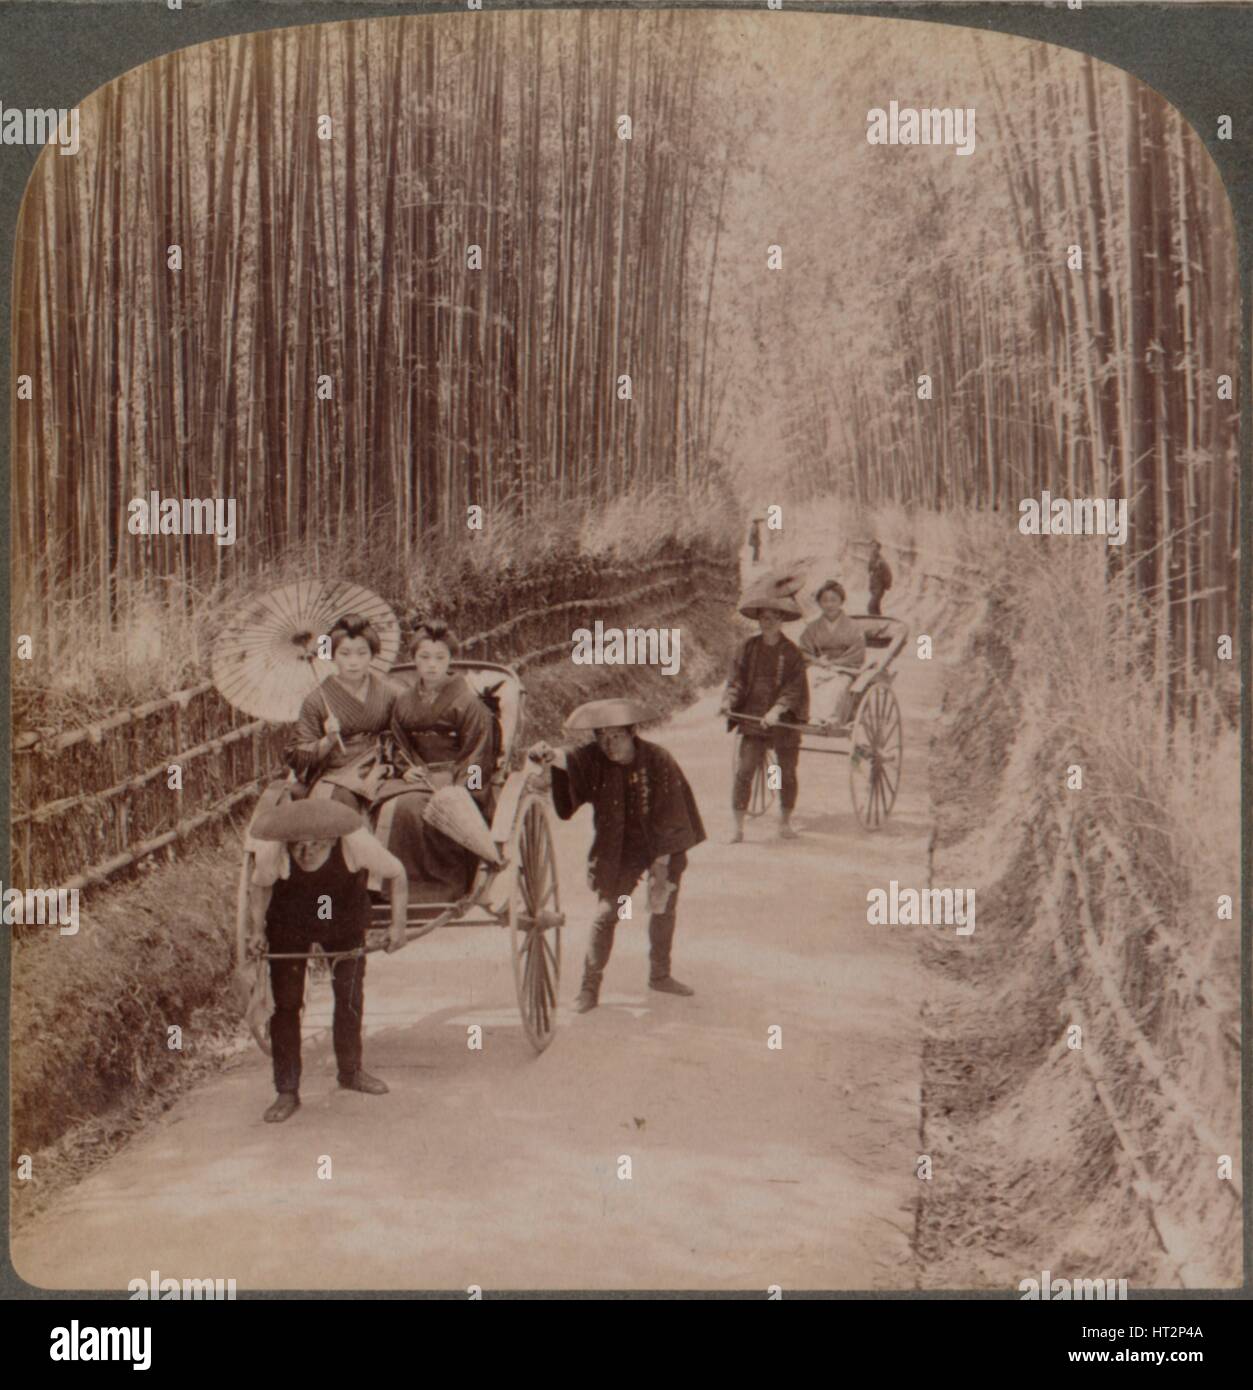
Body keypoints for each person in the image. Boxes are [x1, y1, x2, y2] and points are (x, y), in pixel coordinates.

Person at [528, 698, 706, 1014]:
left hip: (661, 847)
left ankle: (660, 975)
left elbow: (675, 812)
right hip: (621, 851)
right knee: (608, 913)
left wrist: (662, 862)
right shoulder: (594, 759)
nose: (610, 744)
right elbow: (567, 760)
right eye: (602, 737)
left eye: (617, 736)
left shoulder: (658, 760)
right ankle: (589, 987)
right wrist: (547, 756)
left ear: (632, 732)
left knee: (662, 906)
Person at [245, 799, 409, 1124]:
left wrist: (398, 926)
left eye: (315, 846)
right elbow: (261, 889)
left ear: (332, 839)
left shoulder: (355, 840)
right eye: (298, 848)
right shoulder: (272, 850)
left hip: (343, 917)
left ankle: (350, 1071)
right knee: (287, 1004)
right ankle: (287, 1089)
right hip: (290, 922)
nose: (306, 854)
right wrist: (257, 930)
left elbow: (397, 872)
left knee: (348, 996)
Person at [372, 621, 496, 903]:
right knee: (391, 805)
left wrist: (465, 788)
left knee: (432, 805)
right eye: (424, 657)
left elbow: (478, 752)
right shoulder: (404, 702)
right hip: (418, 775)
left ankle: (443, 885)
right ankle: (392, 886)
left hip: (456, 774)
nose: (432, 665)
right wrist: (406, 769)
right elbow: (399, 743)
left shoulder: (469, 703)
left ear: (451, 660)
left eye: (440, 658)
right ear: (414, 659)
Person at [721, 575, 809, 843]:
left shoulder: (792, 653)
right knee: (744, 770)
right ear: (758, 620)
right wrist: (728, 701)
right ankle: (737, 827)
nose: (767, 622)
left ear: (781, 620)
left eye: (773, 618)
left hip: (783, 722)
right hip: (753, 717)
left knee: (784, 772)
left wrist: (778, 710)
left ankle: (784, 822)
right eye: (763, 618)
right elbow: (736, 680)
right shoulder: (748, 648)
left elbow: (795, 689)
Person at [285, 613, 396, 811]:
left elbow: (401, 736)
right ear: (332, 655)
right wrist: (328, 740)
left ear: (373, 654)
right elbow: (297, 755)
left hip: (379, 768)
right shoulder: (316, 700)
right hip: (335, 774)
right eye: (345, 654)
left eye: (362, 653)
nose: (354, 662)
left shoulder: (388, 692)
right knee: (342, 802)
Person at [799, 580, 866, 729]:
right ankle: (813, 717)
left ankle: (829, 719)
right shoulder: (812, 627)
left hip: (844, 668)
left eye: (833, 600)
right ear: (819, 603)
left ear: (841, 601)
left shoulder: (854, 627)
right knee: (809, 676)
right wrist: (817, 661)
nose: (829, 604)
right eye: (824, 600)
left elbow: (857, 653)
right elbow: (803, 651)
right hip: (819, 666)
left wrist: (835, 664)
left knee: (838, 685)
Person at [867, 540, 893, 617]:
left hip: (879, 589)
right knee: (876, 608)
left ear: (878, 549)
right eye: (871, 547)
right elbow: (869, 571)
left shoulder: (881, 561)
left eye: (874, 547)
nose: (872, 549)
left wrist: (886, 586)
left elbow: (888, 574)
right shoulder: (871, 559)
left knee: (871, 607)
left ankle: (875, 622)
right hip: (873, 588)